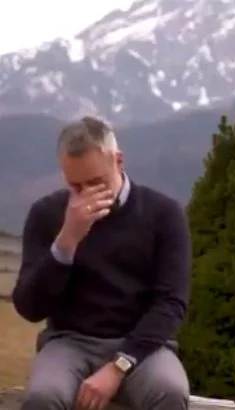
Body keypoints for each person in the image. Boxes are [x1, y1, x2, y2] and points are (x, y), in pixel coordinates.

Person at [11, 116, 191, 410]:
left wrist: (120, 365)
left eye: (96, 182)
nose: (86, 194)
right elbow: (29, 307)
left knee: (169, 391)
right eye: (75, 186)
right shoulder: (46, 214)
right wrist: (67, 241)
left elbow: (171, 302)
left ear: (118, 161)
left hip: (143, 346)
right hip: (69, 342)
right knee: (42, 396)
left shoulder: (164, 213)